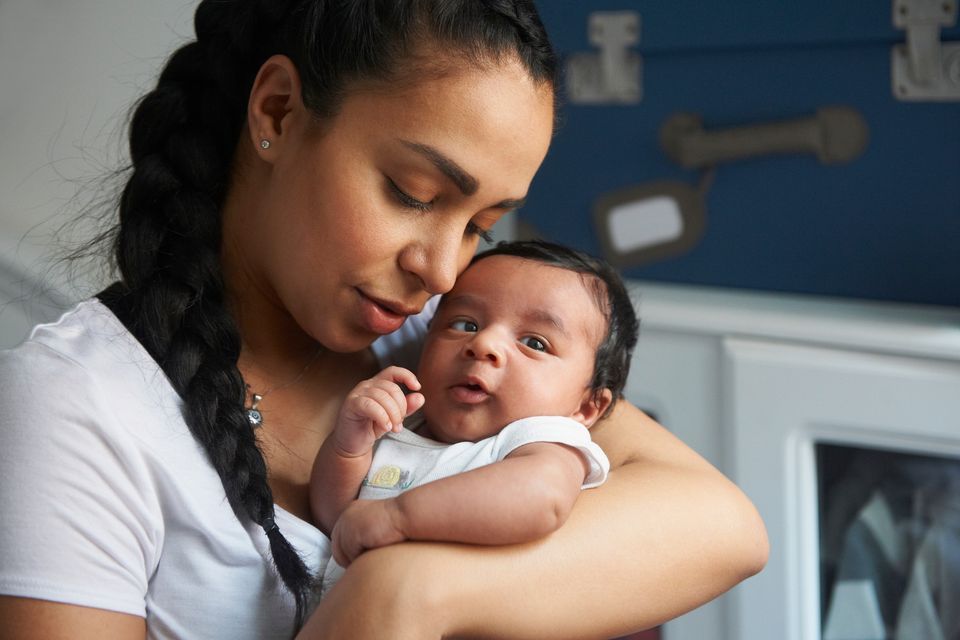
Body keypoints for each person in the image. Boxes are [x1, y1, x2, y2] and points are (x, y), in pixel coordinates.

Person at [0, 1, 768, 639]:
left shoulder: (440, 341)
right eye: (413, 192)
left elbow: (723, 524)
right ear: (278, 112)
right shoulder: (72, 408)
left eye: (479, 225)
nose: (439, 271)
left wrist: (406, 586)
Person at [312, 240, 638, 595]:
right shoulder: (401, 425)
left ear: (586, 407)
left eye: (535, 343)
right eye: (466, 324)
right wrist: (349, 449)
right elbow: (338, 521)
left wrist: (398, 516)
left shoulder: (538, 442)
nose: (484, 345)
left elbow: (543, 499)